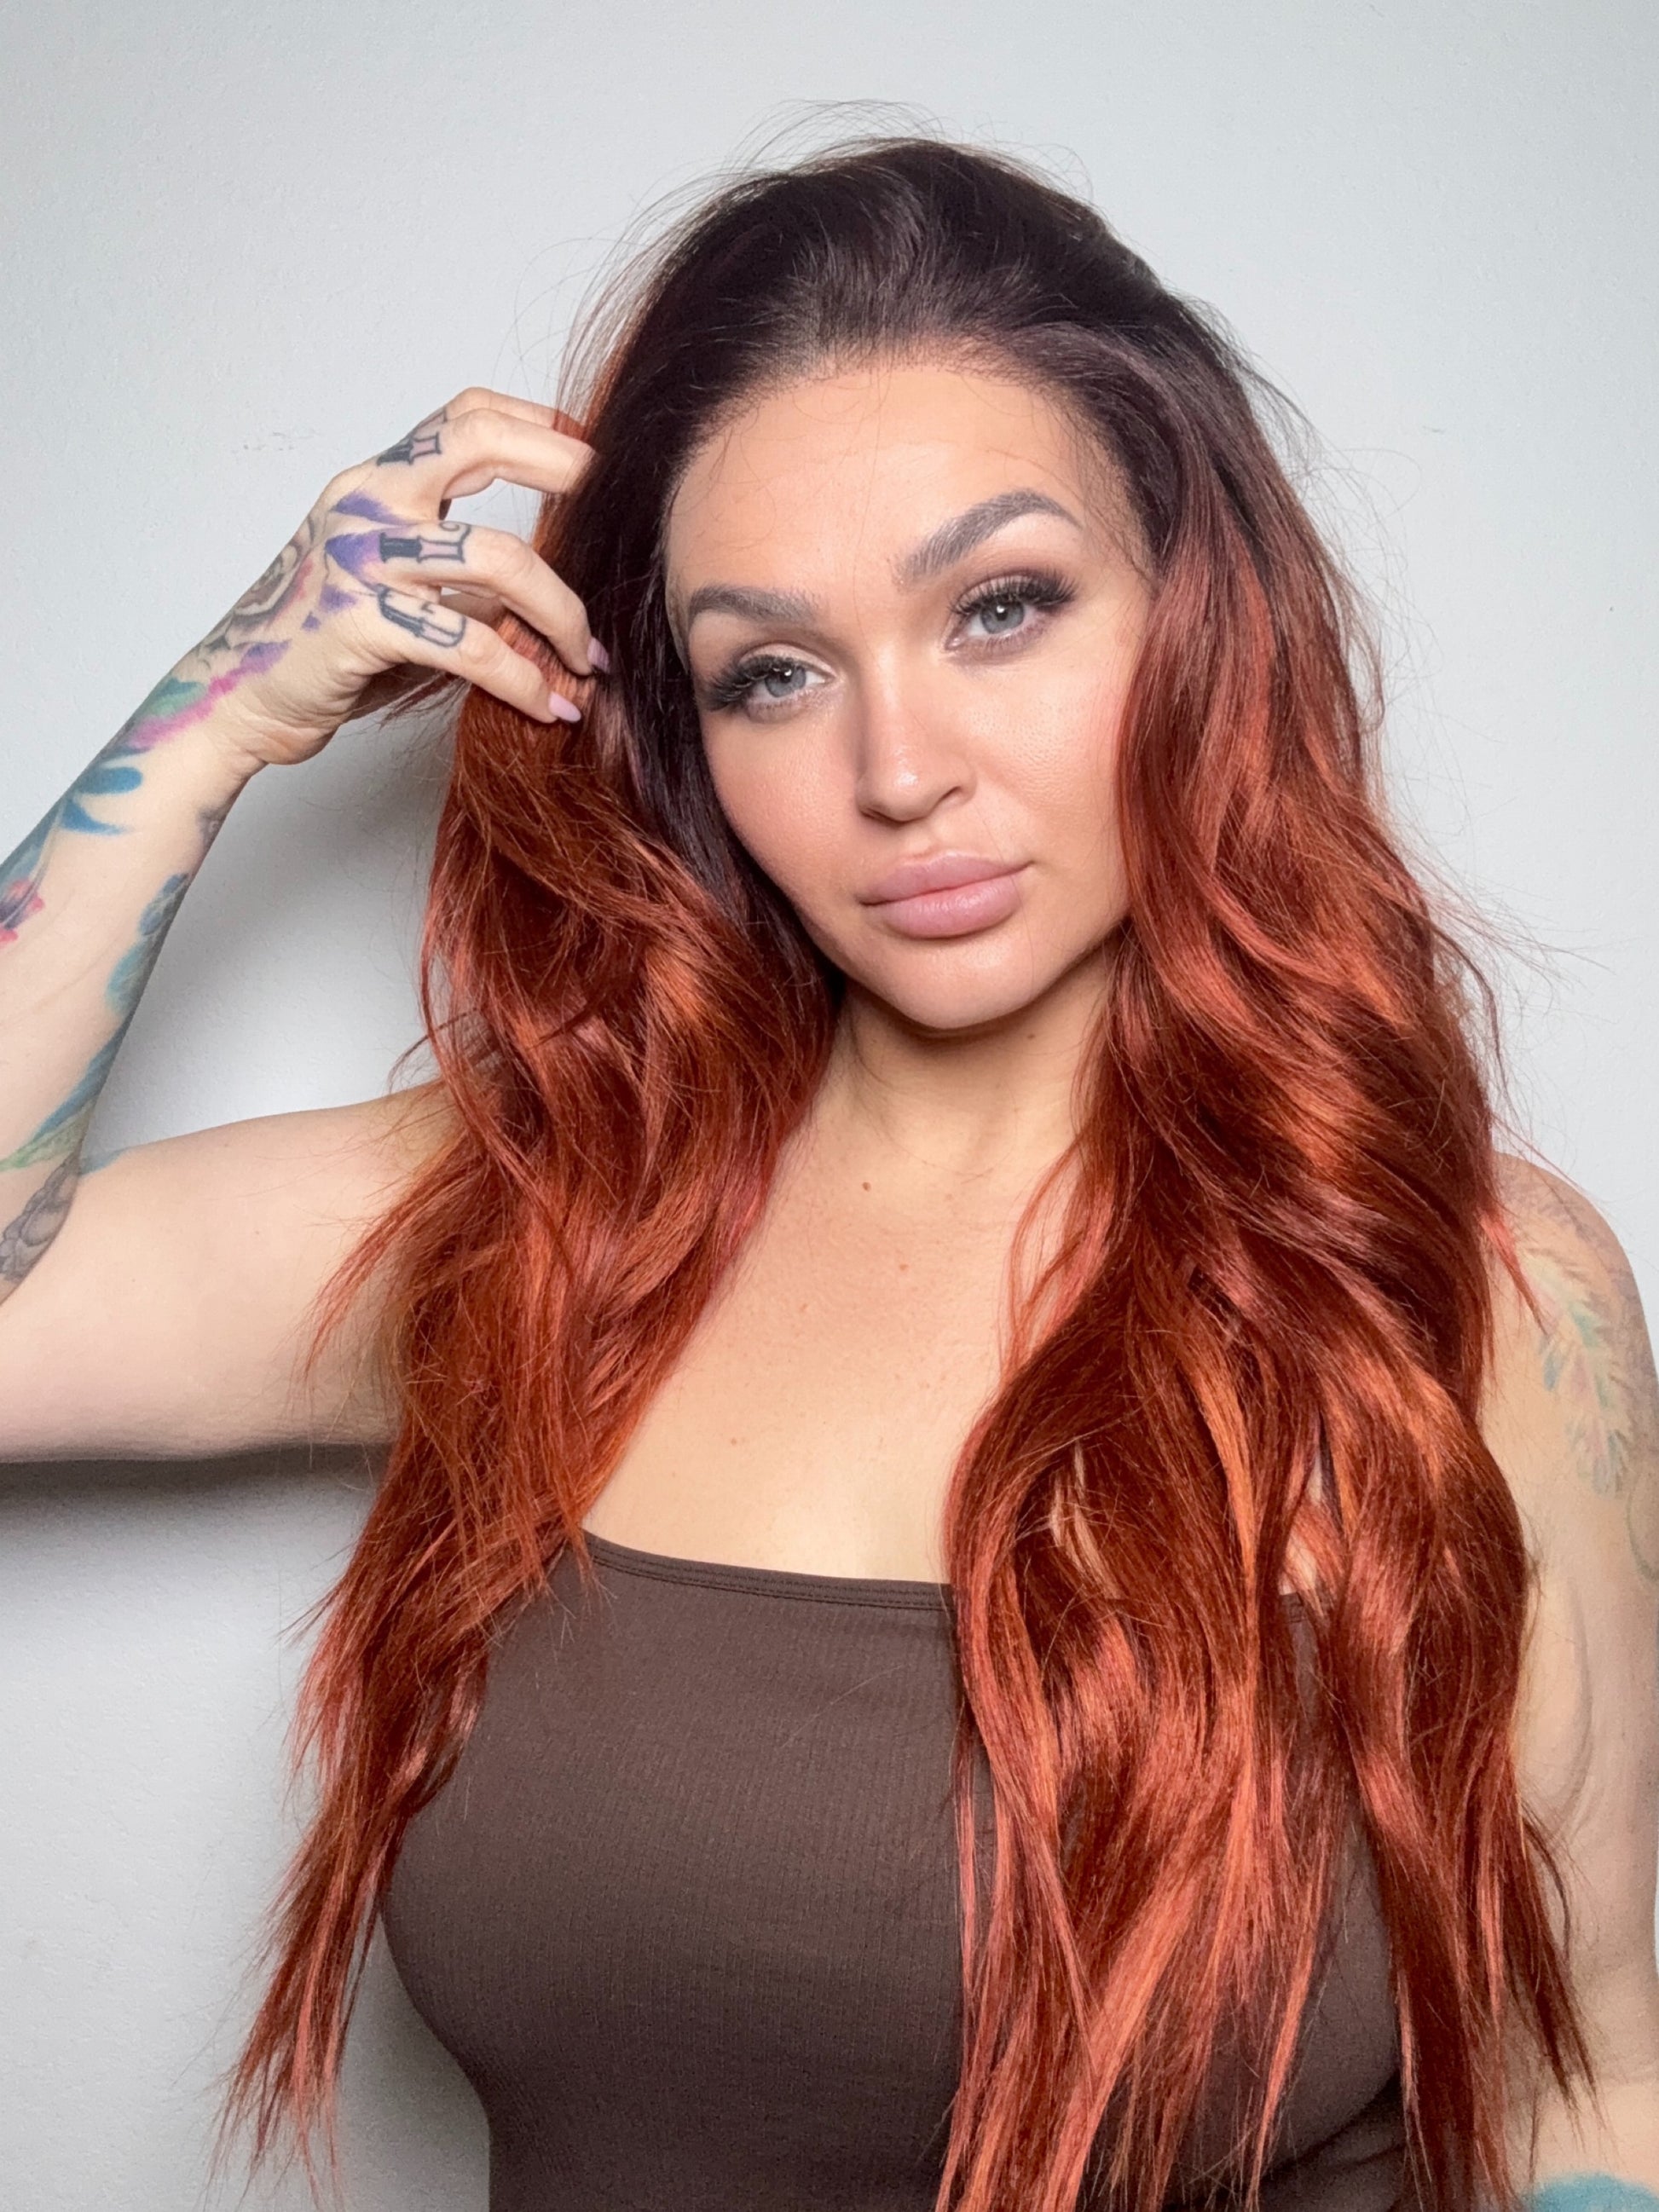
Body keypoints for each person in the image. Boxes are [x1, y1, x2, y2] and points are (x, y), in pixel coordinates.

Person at [1, 132, 1655, 2212]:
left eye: (1001, 608)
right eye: (771, 670)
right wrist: (223, 714)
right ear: (680, 729)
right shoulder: (546, 1217)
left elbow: (1589, 2075)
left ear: (1197, 620)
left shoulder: (1471, 1286)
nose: (897, 769)